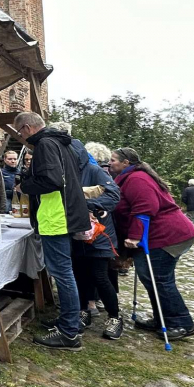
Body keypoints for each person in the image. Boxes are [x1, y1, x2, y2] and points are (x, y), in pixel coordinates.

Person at [14, 112, 89, 350]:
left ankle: (68, 333)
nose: (21, 137)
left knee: (62, 273)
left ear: (27, 127)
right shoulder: (61, 142)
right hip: (64, 213)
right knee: (64, 271)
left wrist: (24, 185)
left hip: (56, 216)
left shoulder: (45, 144)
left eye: (20, 132)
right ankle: (69, 321)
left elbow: (52, 180)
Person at [110, 147, 194, 339]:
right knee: (152, 278)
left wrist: (135, 236)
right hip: (160, 235)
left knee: (159, 279)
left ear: (126, 163)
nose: (109, 163)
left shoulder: (137, 179)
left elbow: (145, 207)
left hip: (166, 235)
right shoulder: (129, 178)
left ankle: (181, 323)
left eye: (113, 159)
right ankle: (162, 319)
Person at [72, 142, 124, 339]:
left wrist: (89, 205)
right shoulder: (69, 171)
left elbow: (113, 195)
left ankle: (115, 317)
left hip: (99, 234)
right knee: (80, 274)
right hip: (77, 233)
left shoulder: (94, 171)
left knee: (99, 276)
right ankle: (83, 311)